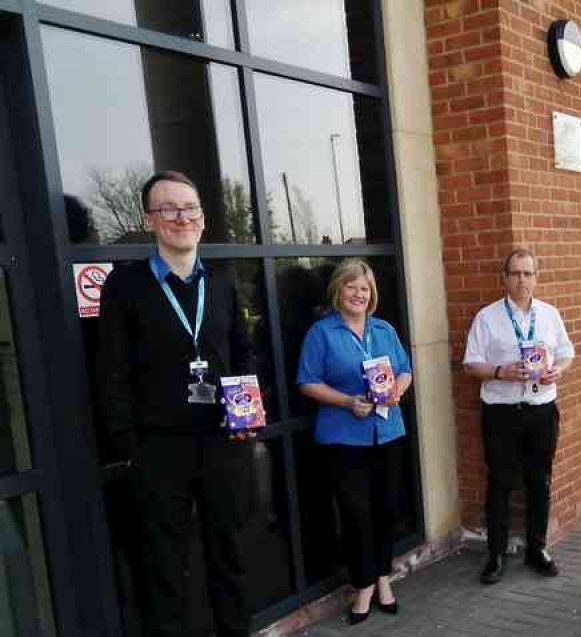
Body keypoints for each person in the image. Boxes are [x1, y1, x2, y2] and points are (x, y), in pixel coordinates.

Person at [96, 171, 257, 636]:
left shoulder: (222, 282)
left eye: (189, 208)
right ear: (150, 220)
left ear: (203, 219)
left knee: (230, 556)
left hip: (224, 442)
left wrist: (246, 409)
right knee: (165, 567)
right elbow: (111, 370)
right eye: (168, 209)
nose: (180, 217)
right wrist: (130, 445)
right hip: (159, 448)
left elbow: (243, 348)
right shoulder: (125, 286)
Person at [297, 258, 412, 625]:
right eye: (351, 286)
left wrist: (397, 389)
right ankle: (363, 584)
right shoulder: (321, 333)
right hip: (344, 438)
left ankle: (382, 577)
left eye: (364, 288)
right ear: (338, 290)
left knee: (386, 509)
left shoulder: (383, 329)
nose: (358, 294)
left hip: (388, 432)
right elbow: (307, 381)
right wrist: (347, 401)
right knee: (356, 513)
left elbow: (405, 370)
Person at [463, 247, 575, 585]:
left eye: (528, 273)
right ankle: (496, 554)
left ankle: (537, 548)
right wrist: (499, 371)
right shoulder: (487, 317)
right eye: (515, 273)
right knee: (499, 483)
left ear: (536, 278)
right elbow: (471, 363)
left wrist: (558, 370)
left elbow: (567, 352)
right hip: (501, 413)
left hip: (541, 410)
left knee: (539, 481)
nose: (521, 279)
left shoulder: (550, 314)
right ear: (505, 278)